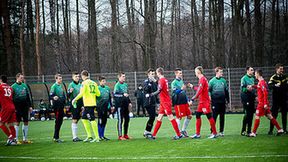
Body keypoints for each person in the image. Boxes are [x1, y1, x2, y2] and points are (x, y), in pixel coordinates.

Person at [147, 67, 182, 140]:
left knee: (171, 117)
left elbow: (159, 90)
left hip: (166, 102)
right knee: (159, 118)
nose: (156, 74)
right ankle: (153, 135)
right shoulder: (163, 79)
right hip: (163, 102)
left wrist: (151, 94)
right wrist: (155, 81)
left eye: (156, 73)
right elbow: (160, 86)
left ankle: (179, 134)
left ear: (159, 73)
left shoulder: (162, 80)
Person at [249, 69, 284, 137]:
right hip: (264, 103)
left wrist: (264, 103)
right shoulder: (261, 82)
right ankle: (280, 129)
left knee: (257, 116)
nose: (254, 75)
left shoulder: (262, 82)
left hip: (262, 104)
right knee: (270, 116)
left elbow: (265, 92)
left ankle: (253, 133)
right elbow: (259, 87)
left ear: (258, 74)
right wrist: (253, 86)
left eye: (255, 73)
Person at [188, 66, 217, 139]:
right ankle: (197, 134)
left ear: (198, 72)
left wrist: (193, 99)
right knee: (197, 115)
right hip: (201, 102)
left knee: (209, 116)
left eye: (195, 72)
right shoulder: (202, 79)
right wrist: (193, 87)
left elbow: (199, 91)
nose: (195, 73)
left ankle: (214, 133)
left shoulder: (202, 79)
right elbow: (200, 89)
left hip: (205, 102)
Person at [72, 70, 101, 143]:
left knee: (92, 119)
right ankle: (89, 136)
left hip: (88, 104)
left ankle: (97, 137)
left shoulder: (84, 83)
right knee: (84, 119)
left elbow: (81, 93)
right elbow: (98, 94)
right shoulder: (94, 83)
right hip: (92, 103)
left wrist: (74, 99)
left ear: (83, 76)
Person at [11, 73, 33, 144]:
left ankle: (25, 139)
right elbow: (11, 98)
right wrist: (13, 107)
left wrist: (30, 106)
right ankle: (16, 139)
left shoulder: (25, 85)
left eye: (22, 78)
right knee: (17, 122)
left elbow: (27, 96)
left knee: (26, 121)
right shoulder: (13, 87)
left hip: (25, 106)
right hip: (17, 106)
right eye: (21, 78)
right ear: (17, 78)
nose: (22, 79)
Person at [171, 68, 192, 137]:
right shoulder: (174, 82)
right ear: (176, 74)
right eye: (179, 73)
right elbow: (174, 92)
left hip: (184, 101)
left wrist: (188, 100)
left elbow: (184, 92)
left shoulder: (181, 81)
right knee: (179, 117)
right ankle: (179, 133)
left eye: (181, 73)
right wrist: (181, 89)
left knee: (189, 116)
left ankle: (183, 130)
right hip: (178, 102)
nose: (181, 74)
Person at [208, 67, 229, 136]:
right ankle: (212, 131)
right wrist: (209, 97)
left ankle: (221, 131)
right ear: (217, 72)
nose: (222, 73)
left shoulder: (224, 81)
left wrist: (227, 99)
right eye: (220, 72)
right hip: (215, 102)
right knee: (214, 117)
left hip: (222, 101)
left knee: (222, 117)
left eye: (222, 72)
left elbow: (226, 91)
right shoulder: (212, 81)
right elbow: (208, 91)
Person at [268, 64, 287, 134]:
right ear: (277, 69)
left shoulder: (285, 77)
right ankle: (271, 130)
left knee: (284, 114)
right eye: (281, 69)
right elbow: (269, 86)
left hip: (284, 99)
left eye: (282, 69)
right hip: (276, 100)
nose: (282, 70)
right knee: (274, 115)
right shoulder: (273, 77)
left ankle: (285, 129)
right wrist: (275, 85)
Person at [113, 72, 132, 140]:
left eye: (124, 76)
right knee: (120, 120)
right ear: (119, 77)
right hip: (119, 106)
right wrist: (122, 94)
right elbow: (115, 95)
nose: (124, 78)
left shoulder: (125, 85)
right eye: (123, 76)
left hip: (126, 105)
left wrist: (129, 102)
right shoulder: (117, 85)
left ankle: (125, 134)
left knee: (127, 119)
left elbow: (127, 94)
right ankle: (120, 136)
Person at [0, 75, 17, 146]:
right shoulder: (10, 87)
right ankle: (14, 140)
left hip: (6, 107)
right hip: (12, 107)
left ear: (1, 80)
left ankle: (10, 137)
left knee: (1, 123)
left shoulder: (0, 87)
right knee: (10, 124)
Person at [50, 74, 66, 143]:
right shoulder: (54, 86)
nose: (61, 79)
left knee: (60, 121)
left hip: (61, 106)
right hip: (57, 107)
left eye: (61, 78)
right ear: (56, 79)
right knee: (58, 121)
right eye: (59, 78)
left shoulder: (60, 86)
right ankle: (56, 137)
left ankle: (57, 137)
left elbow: (63, 96)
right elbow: (51, 95)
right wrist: (53, 97)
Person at [67, 72, 83, 142]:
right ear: (72, 77)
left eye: (78, 76)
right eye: (76, 76)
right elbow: (67, 95)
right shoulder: (71, 84)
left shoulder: (80, 84)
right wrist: (70, 92)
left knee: (77, 119)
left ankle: (76, 136)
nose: (77, 77)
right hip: (74, 104)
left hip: (80, 103)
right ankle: (74, 137)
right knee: (74, 119)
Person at [240, 66, 256, 136]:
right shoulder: (244, 78)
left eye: (253, 70)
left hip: (251, 97)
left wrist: (255, 96)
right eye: (251, 70)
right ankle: (245, 130)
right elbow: (243, 89)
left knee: (251, 114)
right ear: (247, 71)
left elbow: (253, 88)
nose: (253, 71)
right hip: (245, 97)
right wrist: (247, 89)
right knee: (248, 114)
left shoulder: (252, 78)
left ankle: (248, 130)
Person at [142, 68, 158, 138]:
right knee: (152, 117)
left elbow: (156, 91)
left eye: (154, 74)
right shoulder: (146, 82)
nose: (153, 75)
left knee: (153, 117)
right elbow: (146, 89)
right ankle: (147, 132)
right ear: (148, 74)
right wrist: (150, 83)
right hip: (147, 102)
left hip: (153, 101)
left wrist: (155, 82)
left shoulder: (154, 82)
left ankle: (147, 132)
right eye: (151, 74)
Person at [97, 76, 113, 141]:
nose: (104, 82)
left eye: (104, 81)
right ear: (99, 82)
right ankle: (99, 136)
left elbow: (109, 97)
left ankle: (103, 135)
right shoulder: (97, 88)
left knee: (104, 121)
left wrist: (111, 106)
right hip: (100, 107)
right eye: (103, 81)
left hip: (106, 107)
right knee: (100, 121)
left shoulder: (107, 88)